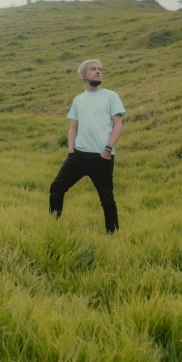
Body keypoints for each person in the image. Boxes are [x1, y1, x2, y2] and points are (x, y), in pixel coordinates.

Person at [49, 59, 125, 233]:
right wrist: (70, 150)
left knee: (107, 199)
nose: (98, 72)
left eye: (99, 69)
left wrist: (107, 150)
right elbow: (73, 127)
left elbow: (118, 124)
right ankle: (53, 226)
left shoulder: (111, 96)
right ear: (84, 76)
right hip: (78, 156)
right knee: (56, 188)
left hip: (102, 157)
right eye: (93, 69)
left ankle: (112, 235)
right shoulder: (78, 100)